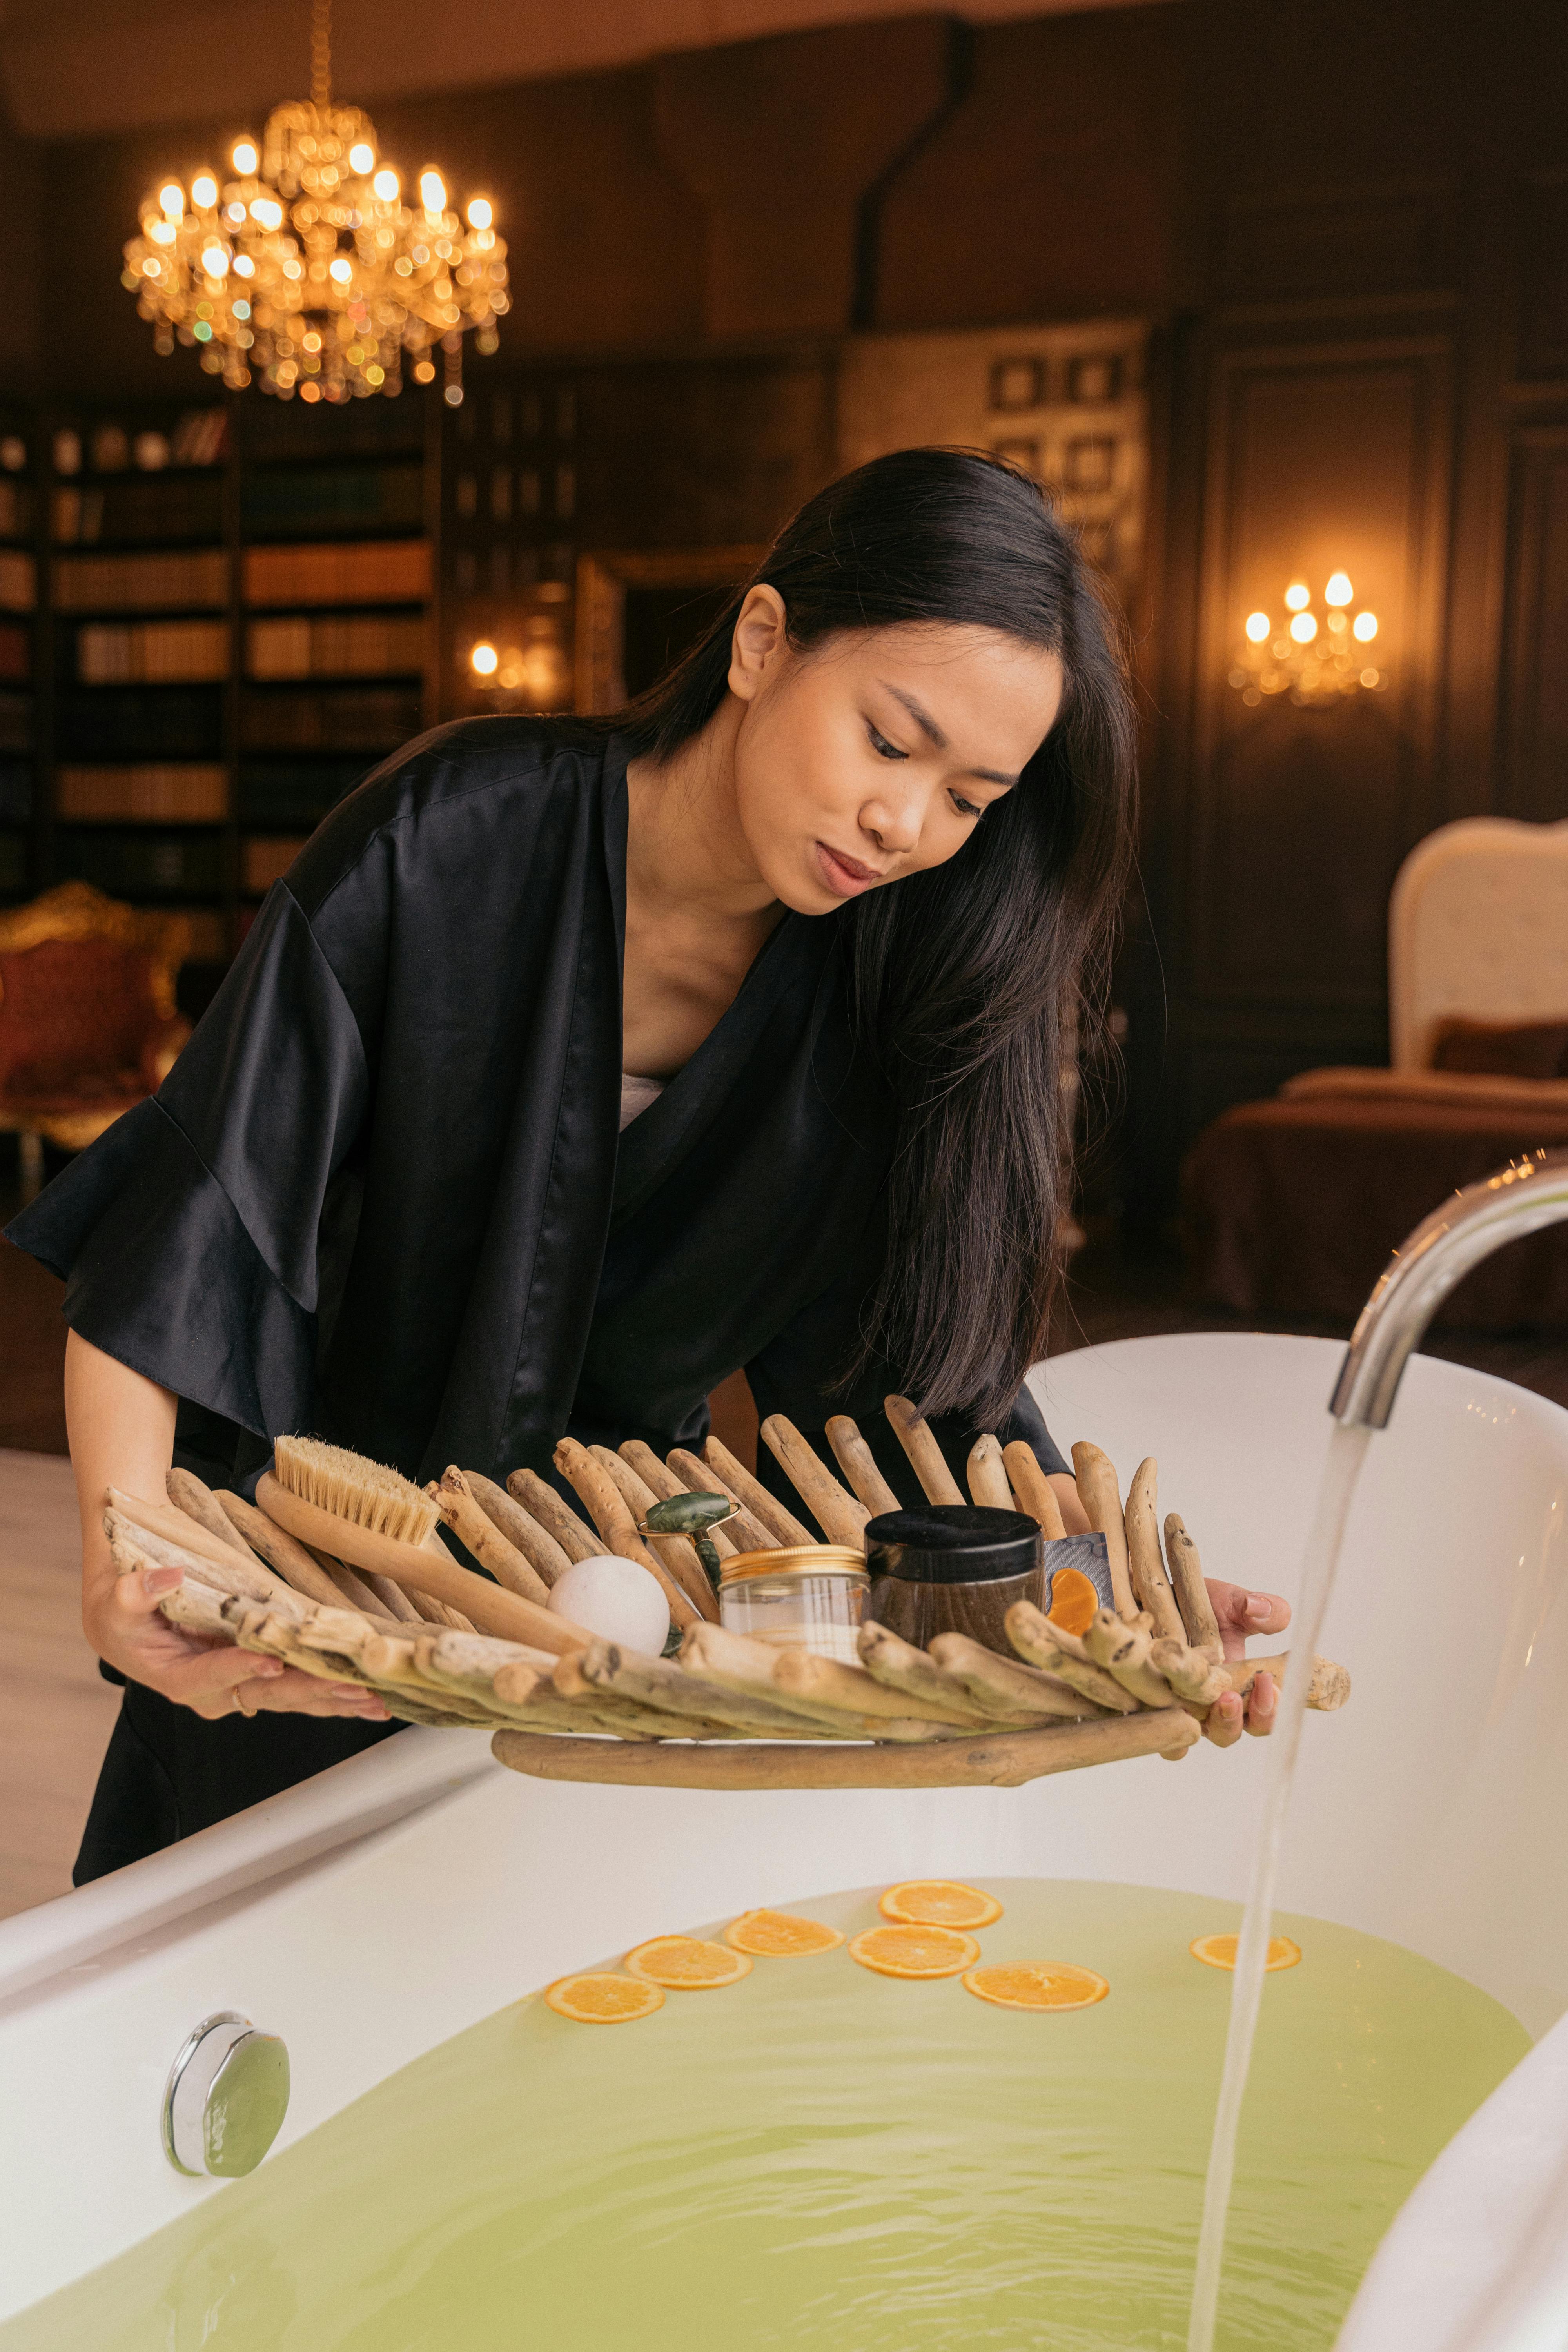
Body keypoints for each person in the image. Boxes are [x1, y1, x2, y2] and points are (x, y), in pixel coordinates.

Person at [9, 447, 1286, 1882]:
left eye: (970, 799)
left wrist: (1117, 1611)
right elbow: (192, 1230)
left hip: (633, 1646)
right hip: (315, 1604)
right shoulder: (449, 839)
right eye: (889, 741)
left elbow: (929, 1395)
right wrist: (129, 1561)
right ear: (761, 642)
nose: (908, 825)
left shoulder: (897, 996)